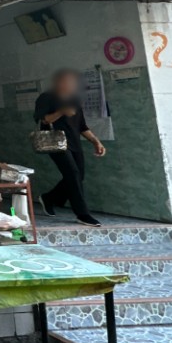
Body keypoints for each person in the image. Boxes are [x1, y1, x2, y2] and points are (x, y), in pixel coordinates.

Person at [33, 68, 107, 227]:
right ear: (58, 82)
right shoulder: (46, 98)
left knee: (78, 176)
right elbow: (44, 120)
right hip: (56, 143)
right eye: (67, 81)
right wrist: (61, 111)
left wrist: (95, 141)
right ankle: (82, 214)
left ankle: (49, 198)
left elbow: (82, 126)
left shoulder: (74, 100)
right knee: (73, 174)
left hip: (74, 143)